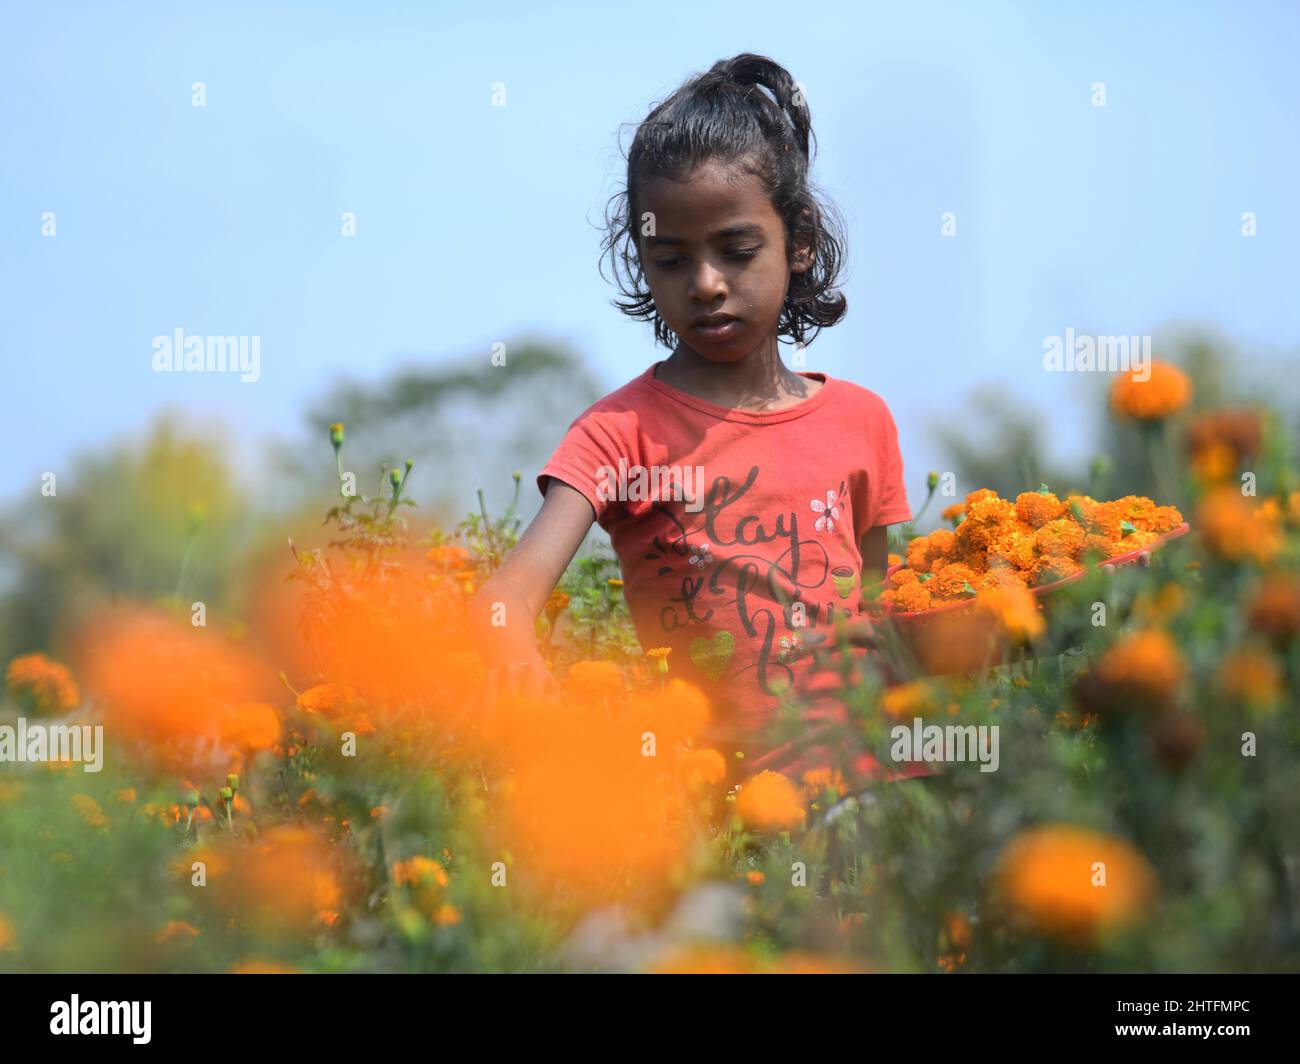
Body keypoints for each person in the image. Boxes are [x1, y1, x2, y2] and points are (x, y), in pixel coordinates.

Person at [470, 53, 920, 785]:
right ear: (640, 259)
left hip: (870, 798)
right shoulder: (617, 434)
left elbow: (881, 618)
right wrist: (521, 676)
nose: (706, 285)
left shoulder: (863, 422)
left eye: (736, 251)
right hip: (717, 820)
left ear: (798, 239)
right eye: (671, 259)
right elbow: (505, 598)